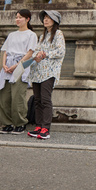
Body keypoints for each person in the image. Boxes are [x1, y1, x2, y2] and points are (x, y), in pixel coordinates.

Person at [23, 10, 66, 140]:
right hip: (37, 71)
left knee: (45, 99)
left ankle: (46, 128)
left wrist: (46, 54)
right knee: (37, 99)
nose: (45, 20)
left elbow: (61, 51)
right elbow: (36, 50)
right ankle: (38, 125)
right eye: (44, 18)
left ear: (55, 20)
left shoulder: (58, 33)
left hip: (49, 71)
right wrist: (35, 56)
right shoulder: (42, 36)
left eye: (49, 18)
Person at [0, 9, 38, 135]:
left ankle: (20, 123)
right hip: (8, 66)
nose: (17, 19)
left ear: (27, 19)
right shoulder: (12, 35)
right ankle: (6, 123)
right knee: (4, 96)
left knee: (18, 96)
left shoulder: (31, 35)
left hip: (21, 65)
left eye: (20, 17)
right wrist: (4, 64)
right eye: (16, 17)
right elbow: (5, 51)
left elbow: (30, 52)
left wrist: (16, 66)